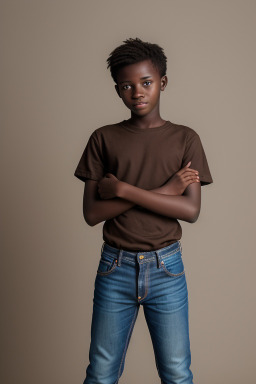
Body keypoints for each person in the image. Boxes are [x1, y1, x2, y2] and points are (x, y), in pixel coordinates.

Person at [74, 37, 213, 384]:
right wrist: (165, 190)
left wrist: (122, 189)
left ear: (162, 83)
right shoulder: (103, 138)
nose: (137, 92)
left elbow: (190, 209)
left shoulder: (186, 139)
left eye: (146, 82)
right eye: (127, 86)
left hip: (167, 269)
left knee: (177, 373)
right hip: (115, 268)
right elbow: (92, 213)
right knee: (102, 371)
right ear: (118, 90)